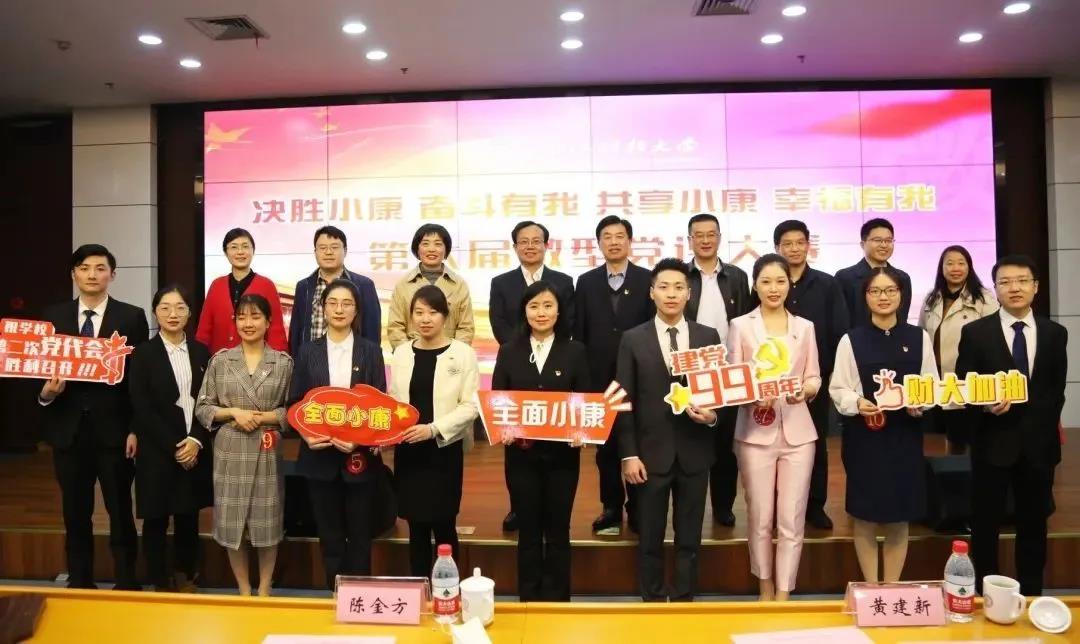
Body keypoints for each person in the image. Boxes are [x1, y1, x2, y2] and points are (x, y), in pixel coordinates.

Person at [37, 244, 150, 589]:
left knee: (120, 510)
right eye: (84, 268)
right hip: (68, 431)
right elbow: (36, 373)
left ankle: (126, 581)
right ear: (74, 274)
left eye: (100, 268)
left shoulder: (131, 316)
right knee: (75, 512)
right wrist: (46, 394)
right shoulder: (53, 317)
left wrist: (135, 428)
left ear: (112, 275)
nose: (92, 275)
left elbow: (138, 380)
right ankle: (80, 580)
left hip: (114, 432)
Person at [956, 255, 1067, 596]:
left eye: (1022, 281)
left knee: (1034, 525)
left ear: (1035, 287)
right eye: (1005, 282)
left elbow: (1055, 392)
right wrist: (985, 405)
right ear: (995, 288)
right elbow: (964, 387)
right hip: (992, 443)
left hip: (1038, 447)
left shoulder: (1054, 333)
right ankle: (985, 595)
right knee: (985, 526)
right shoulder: (976, 333)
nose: (1014, 288)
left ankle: (1031, 596)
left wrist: (1041, 431)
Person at [617, 258, 722, 601]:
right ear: (652, 293)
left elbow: (719, 395)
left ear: (689, 293)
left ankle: (683, 598)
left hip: (695, 451)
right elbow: (623, 399)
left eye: (679, 287)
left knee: (690, 536)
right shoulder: (633, 339)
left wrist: (712, 416)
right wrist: (629, 454)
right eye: (663, 287)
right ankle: (651, 598)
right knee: (649, 535)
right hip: (649, 455)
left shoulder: (707, 337)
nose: (671, 294)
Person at [829, 267, 937, 583]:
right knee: (864, 516)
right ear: (865, 297)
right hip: (865, 438)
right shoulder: (851, 340)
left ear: (901, 295)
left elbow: (931, 385)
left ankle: (891, 588)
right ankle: (871, 586)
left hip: (905, 436)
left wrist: (921, 403)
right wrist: (857, 403)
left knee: (899, 518)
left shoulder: (918, 337)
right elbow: (839, 388)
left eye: (890, 290)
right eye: (875, 291)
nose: (883, 297)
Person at [728, 254, 820, 601]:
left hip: (799, 433)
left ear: (789, 284)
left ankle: (784, 592)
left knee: (791, 518)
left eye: (780, 281)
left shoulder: (805, 327)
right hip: (754, 434)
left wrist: (805, 391)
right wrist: (753, 396)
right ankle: (764, 586)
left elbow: (814, 376)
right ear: (755, 285)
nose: (773, 288)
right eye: (765, 281)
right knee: (761, 516)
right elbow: (732, 380)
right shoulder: (740, 326)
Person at [492, 281, 590, 601]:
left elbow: (585, 401)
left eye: (548, 305)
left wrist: (582, 431)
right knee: (529, 530)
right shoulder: (509, 351)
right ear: (524, 311)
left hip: (563, 458)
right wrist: (503, 428)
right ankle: (529, 599)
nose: (541, 313)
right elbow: (498, 400)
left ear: (559, 311)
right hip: (521, 458)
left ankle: (558, 600)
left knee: (559, 529)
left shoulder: (575, 351)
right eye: (534, 306)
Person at [288, 279, 386, 587]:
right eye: (332, 303)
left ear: (356, 310)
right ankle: (336, 594)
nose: (339, 309)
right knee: (329, 535)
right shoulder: (307, 352)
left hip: (359, 456)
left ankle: (360, 596)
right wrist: (306, 434)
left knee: (360, 534)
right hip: (318, 457)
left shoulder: (371, 351)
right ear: (323, 309)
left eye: (347, 304)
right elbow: (295, 402)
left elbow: (379, 405)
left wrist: (359, 439)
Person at [195, 294, 293, 596]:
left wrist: (265, 417)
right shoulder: (221, 361)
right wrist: (233, 413)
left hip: (266, 448)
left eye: (255, 317)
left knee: (267, 522)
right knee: (232, 520)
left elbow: (293, 412)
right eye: (242, 317)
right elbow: (203, 408)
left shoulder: (283, 363)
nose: (248, 323)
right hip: (231, 449)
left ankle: (264, 589)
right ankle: (243, 589)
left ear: (269, 321)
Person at [489, 220, 575, 532]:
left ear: (546, 245)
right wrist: (520, 350)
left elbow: (569, 322)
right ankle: (519, 507)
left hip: (554, 369)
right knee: (518, 449)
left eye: (536, 240)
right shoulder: (501, 282)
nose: (530, 246)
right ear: (515, 247)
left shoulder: (564, 282)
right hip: (519, 369)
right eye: (523, 241)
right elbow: (498, 322)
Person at [388, 285, 479, 576]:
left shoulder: (463, 353)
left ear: (445, 316)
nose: (425, 319)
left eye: (433, 312)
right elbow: (393, 400)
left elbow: (471, 406)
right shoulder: (402, 353)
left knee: (444, 525)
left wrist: (433, 429)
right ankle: (419, 589)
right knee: (415, 528)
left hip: (444, 450)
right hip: (409, 451)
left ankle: (448, 589)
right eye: (419, 312)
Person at [574, 215, 655, 534]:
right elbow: (580, 333)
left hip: (639, 375)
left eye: (620, 236)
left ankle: (637, 506)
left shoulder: (648, 279)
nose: (614, 242)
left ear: (630, 241)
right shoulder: (586, 282)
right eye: (606, 236)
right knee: (605, 449)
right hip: (599, 379)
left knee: (637, 444)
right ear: (599, 243)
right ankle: (610, 506)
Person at [129, 285, 212, 592]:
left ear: (189, 313)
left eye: (180, 307)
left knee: (188, 516)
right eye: (165, 308)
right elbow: (141, 406)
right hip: (158, 450)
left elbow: (210, 400)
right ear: (155, 313)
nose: (172, 314)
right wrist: (175, 446)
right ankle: (159, 581)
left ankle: (186, 575)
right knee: (156, 518)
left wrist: (195, 441)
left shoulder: (202, 352)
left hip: (195, 446)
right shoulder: (143, 354)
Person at [773, 220, 849, 530]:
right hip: (773, 380)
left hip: (813, 379)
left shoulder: (827, 284)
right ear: (777, 247)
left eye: (799, 242)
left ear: (808, 245)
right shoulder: (770, 282)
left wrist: (824, 373)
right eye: (787, 243)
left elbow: (839, 330)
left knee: (814, 441)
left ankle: (815, 505)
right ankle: (779, 504)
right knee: (775, 444)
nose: (794, 248)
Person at [683, 213, 752, 528]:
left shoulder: (737, 276)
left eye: (711, 234)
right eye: (699, 235)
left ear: (720, 238)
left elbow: (746, 320)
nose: (705, 240)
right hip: (690, 369)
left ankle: (723, 506)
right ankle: (691, 506)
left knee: (725, 444)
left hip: (729, 370)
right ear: (690, 240)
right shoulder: (681, 276)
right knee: (692, 440)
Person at [918, 245, 998, 455]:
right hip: (938, 380)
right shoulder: (931, 298)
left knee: (971, 435)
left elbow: (994, 339)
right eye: (950, 263)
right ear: (941, 268)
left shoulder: (984, 298)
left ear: (969, 267)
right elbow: (921, 335)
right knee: (948, 435)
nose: (955, 268)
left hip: (970, 378)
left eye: (961, 263)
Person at [289, 225, 382, 355]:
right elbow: (296, 331)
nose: (328, 252)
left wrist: (368, 361)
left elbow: (372, 331)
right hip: (311, 361)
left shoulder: (364, 285)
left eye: (334, 247)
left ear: (345, 251)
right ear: (315, 252)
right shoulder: (304, 286)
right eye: (322, 248)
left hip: (351, 360)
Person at [196, 228, 288, 354]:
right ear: (226, 252)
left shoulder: (267, 285)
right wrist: (199, 357)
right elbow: (204, 329)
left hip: (257, 360)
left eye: (245, 246)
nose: (240, 252)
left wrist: (279, 360)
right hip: (219, 361)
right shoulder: (216, 285)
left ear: (253, 251)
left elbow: (276, 330)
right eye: (234, 247)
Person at [387, 224, 474, 350]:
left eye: (438, 244)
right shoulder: (403, 285)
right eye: (425, 244)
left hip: (450, 355)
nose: (431, 249)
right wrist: (408, 354)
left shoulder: (459, 285)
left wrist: (454, 354)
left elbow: (466, 327)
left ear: (446, 250)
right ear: (417, 249)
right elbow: (395, 326)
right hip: (412, 354)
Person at [835, 218, 913, 327]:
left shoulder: (903, 278)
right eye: (877, 240)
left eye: (888, 240)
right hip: (856, 337)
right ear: (862, 244)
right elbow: (841, 319)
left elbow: (902, 318)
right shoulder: (845, 277)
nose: (884, 245)